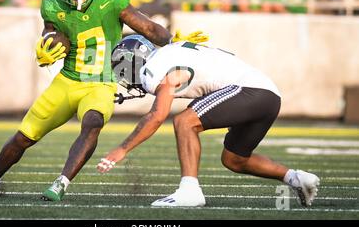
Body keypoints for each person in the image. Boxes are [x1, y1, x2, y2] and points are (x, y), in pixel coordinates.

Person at [0, 0, 208, 202]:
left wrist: (172, 42)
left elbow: (146, 26)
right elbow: (51, 32)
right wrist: (46, 44)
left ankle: (61, 182)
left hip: (100, 83)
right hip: (67, 81)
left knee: (93, 122)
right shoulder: (51, 6)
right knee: (24, 136)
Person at [98, 35, 320, 207]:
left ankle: (189, 190)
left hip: (249, 90)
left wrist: (122, 149)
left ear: (133, 61)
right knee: (234, 159)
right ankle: (296, 178)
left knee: (184, 122)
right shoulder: (170, 50)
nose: (124, 77)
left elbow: (157, 115)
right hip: (269, 96)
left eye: (122, 70)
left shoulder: (152, 69)